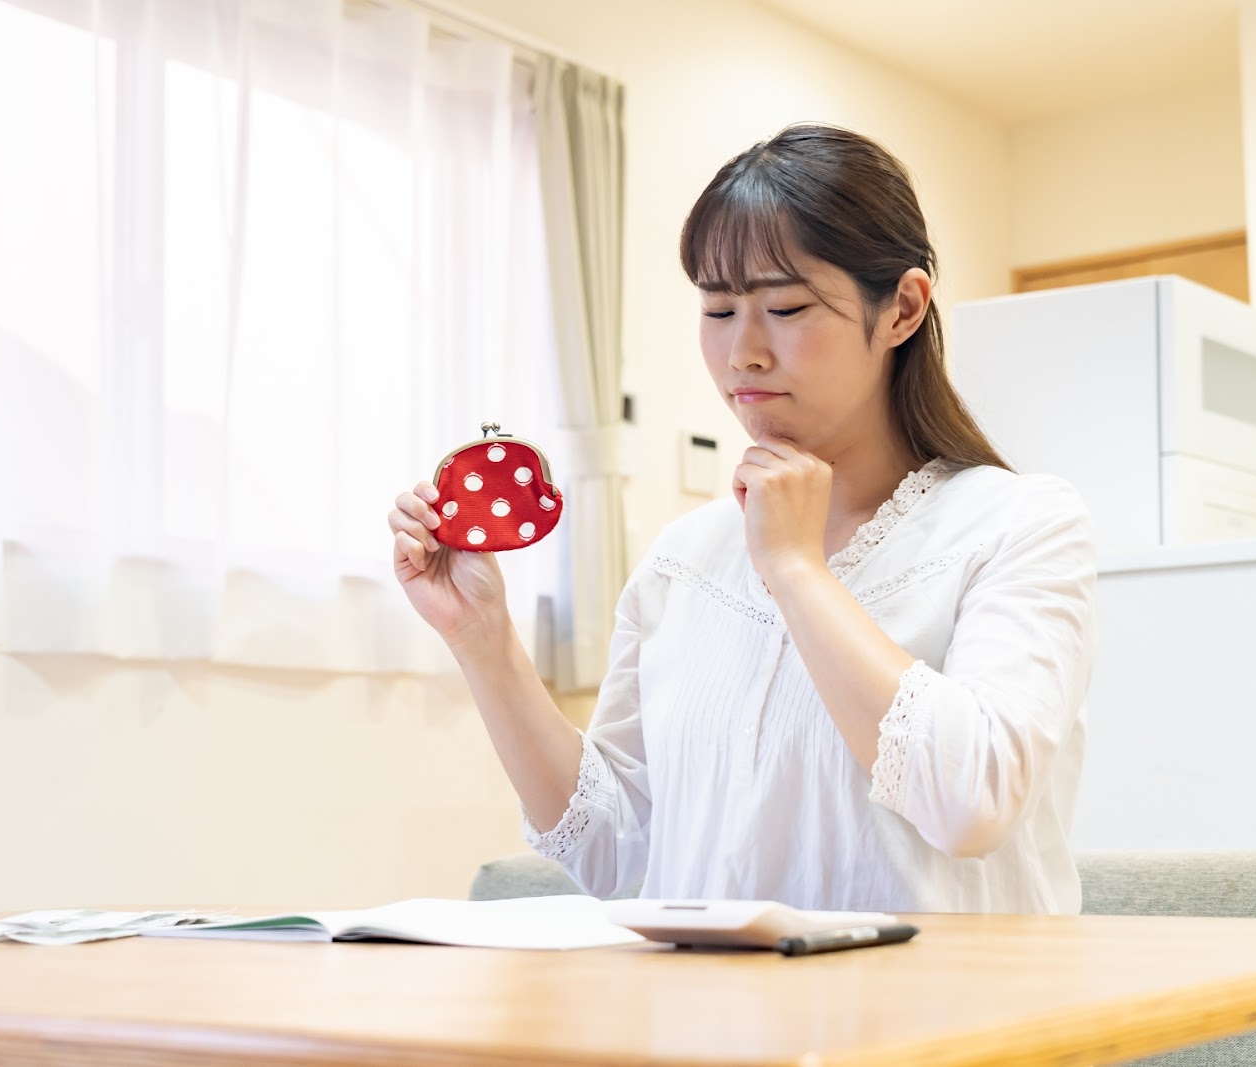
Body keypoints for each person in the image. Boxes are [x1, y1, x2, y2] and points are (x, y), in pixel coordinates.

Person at [388, 124, 1097, 914]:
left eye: (787, 307)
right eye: (718, 309)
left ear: (901, 308)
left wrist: (797, 570)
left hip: (944, 1028)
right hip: (711, 1029)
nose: (743, 352)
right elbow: (612, 851)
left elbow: (971, 802)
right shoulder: (682, 558)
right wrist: (482, 639)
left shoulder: (1020, 524)